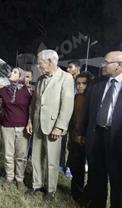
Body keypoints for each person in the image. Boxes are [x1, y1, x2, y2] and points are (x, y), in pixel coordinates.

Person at [26, 49, 74, 201]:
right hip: (37, 124)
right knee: (36, 157)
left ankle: (51, 189)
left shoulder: (66, 78)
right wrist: (30, 121)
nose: (38, 67)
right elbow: (34, 103)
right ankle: (36, 184)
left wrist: (60, 126)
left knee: (52, 160)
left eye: (40, 64)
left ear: (50, 62)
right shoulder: (40, 79)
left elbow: (67, 104)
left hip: (54, 125)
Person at [80, 51, 122, 208]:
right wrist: (83, 133)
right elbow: (87, 112)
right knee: (97, 174)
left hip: (118, 140)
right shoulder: (96, 84)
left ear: (119, 65)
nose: (102, 65)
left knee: (117, 179)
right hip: (97, 135)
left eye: (106, 62)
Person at [0, 67, 32, 190]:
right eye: (12, 71)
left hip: (23, 127)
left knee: (21, 155)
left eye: (15, 72)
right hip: (7, 126)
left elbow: (32, 109)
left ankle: (19, 179)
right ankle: (9, 178)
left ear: (20, 76)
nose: (12, 73)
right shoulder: (3, 90)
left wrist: (30, 122)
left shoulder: (28, 91)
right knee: (8, 155)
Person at [66, 72, 94, 203]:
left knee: (93, 171)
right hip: (74, 139)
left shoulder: (93, 99)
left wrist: (85, 138)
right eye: (78, 83)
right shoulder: (75, 98)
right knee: (75, 167)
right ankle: (76, 194)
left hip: (89, 141)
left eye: (84, 83)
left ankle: (87, 195)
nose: (80, 86)